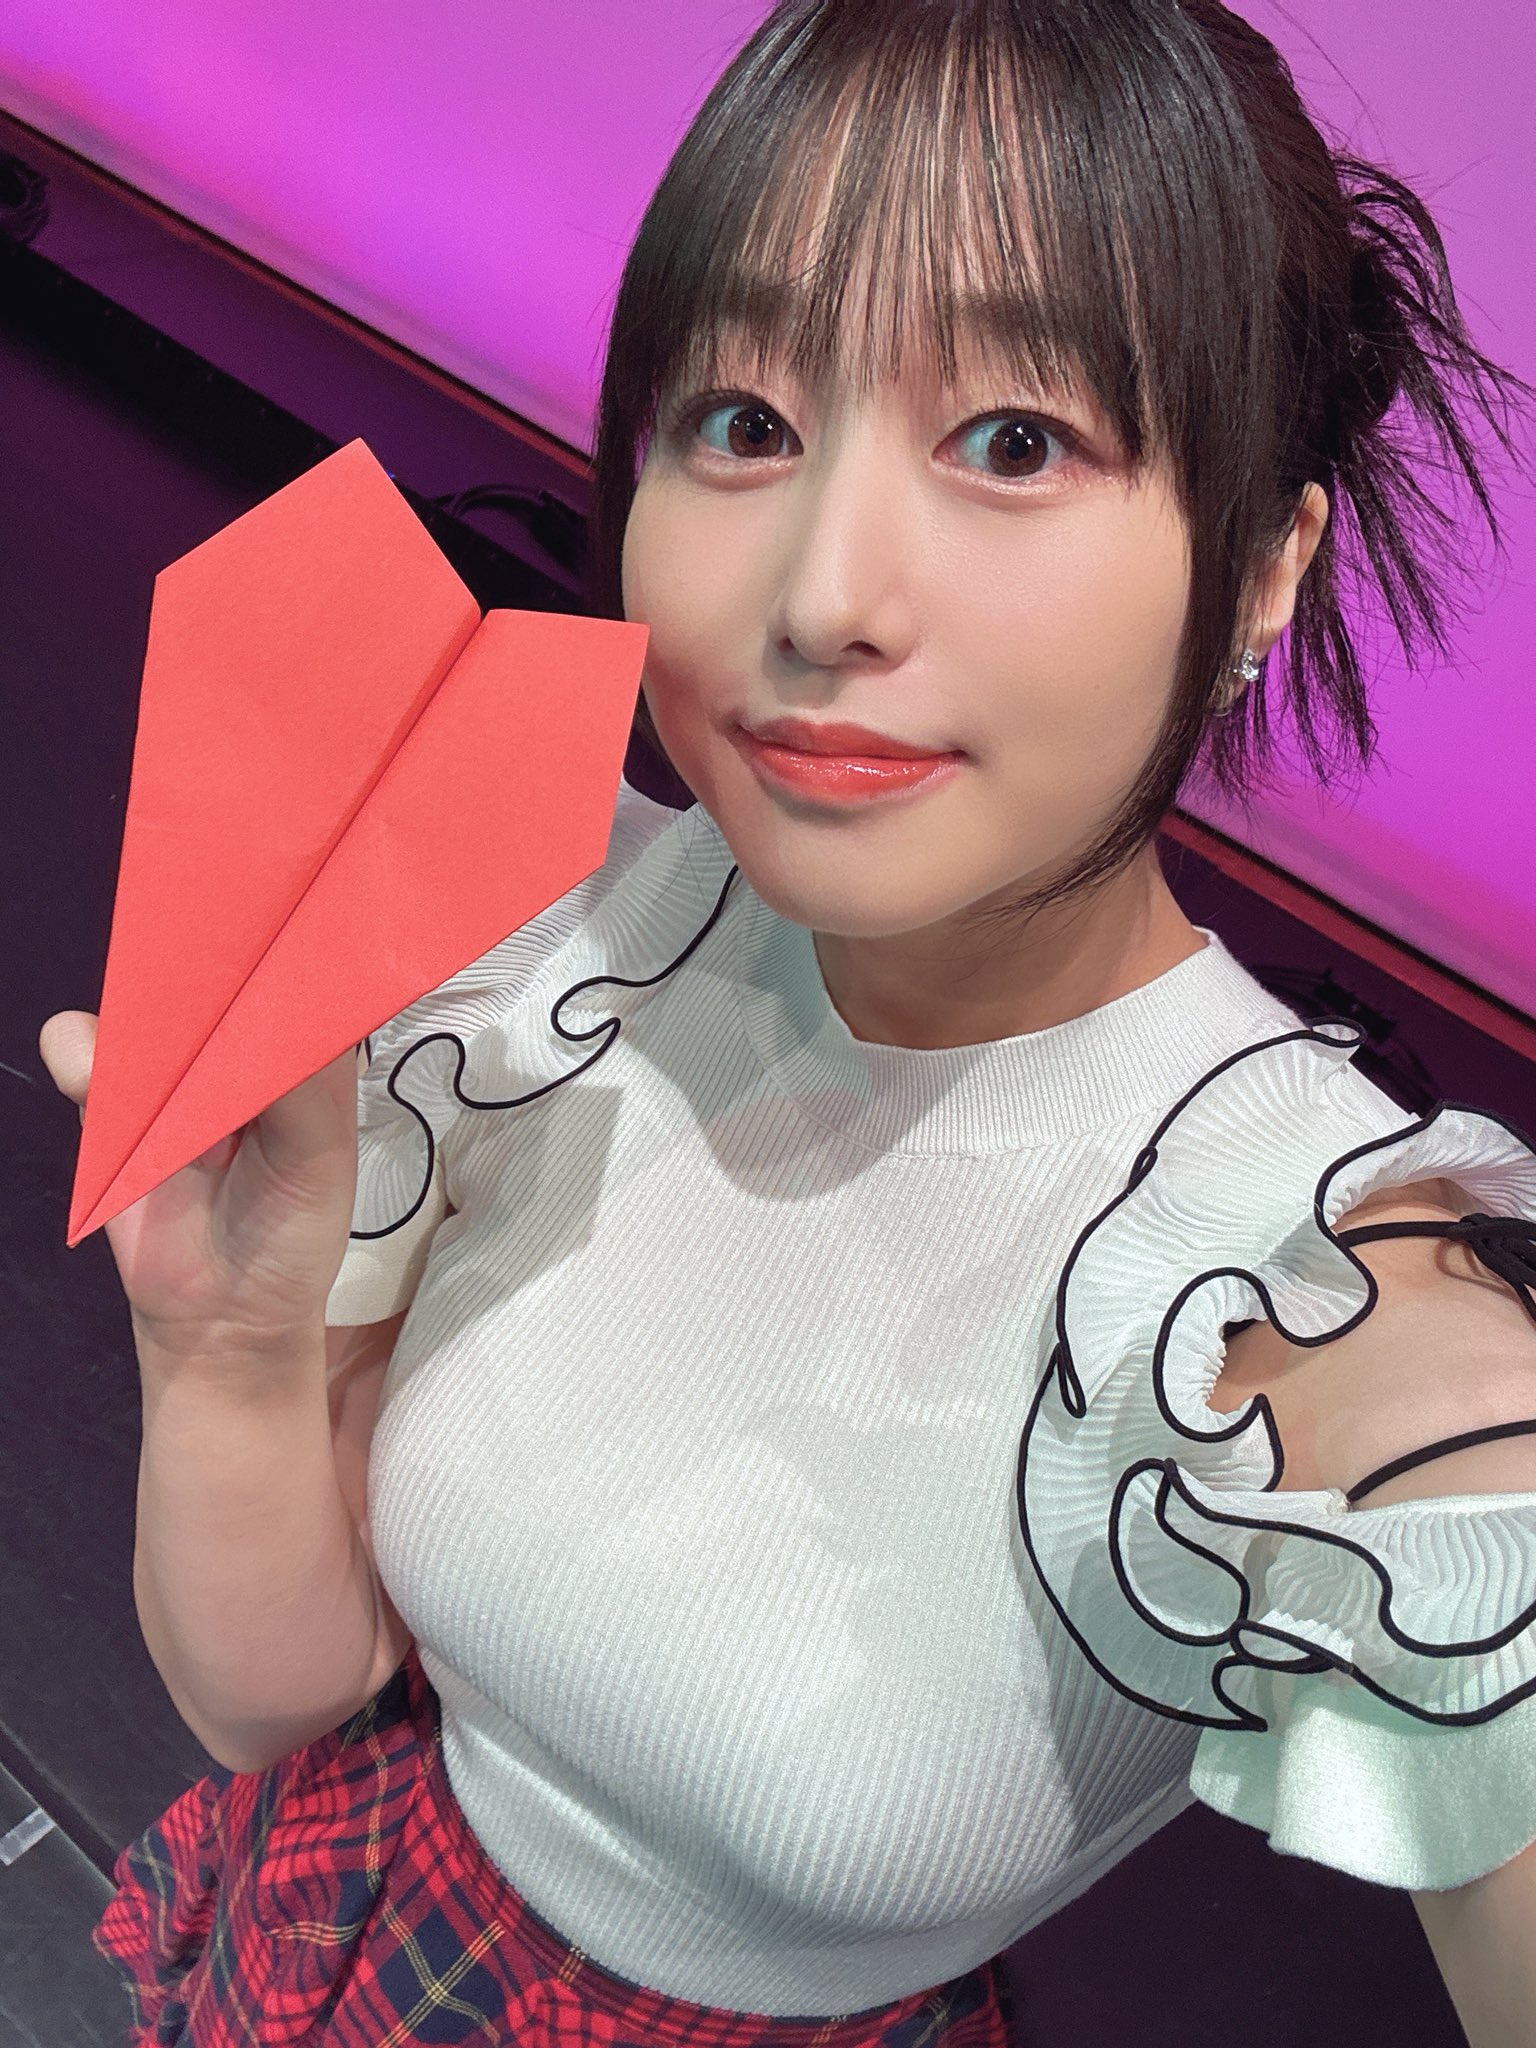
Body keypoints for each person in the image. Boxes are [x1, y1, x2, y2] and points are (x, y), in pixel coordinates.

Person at [40, 1, 1536, 2042]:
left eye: (1016, 442)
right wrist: (220, 1348)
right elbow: (274, 1698)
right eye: (743, 420)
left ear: (1266, 563)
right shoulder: (549, 933)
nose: (824, 593)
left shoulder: (1299, 1298)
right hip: (356, 1918)